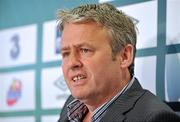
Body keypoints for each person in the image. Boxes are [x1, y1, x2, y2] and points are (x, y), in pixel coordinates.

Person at [57, 3, 180, 122]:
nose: (72, 63)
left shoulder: (154, 118)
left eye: (85, 50)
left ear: (124, 56)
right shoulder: (72, 104)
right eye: (66, 53)